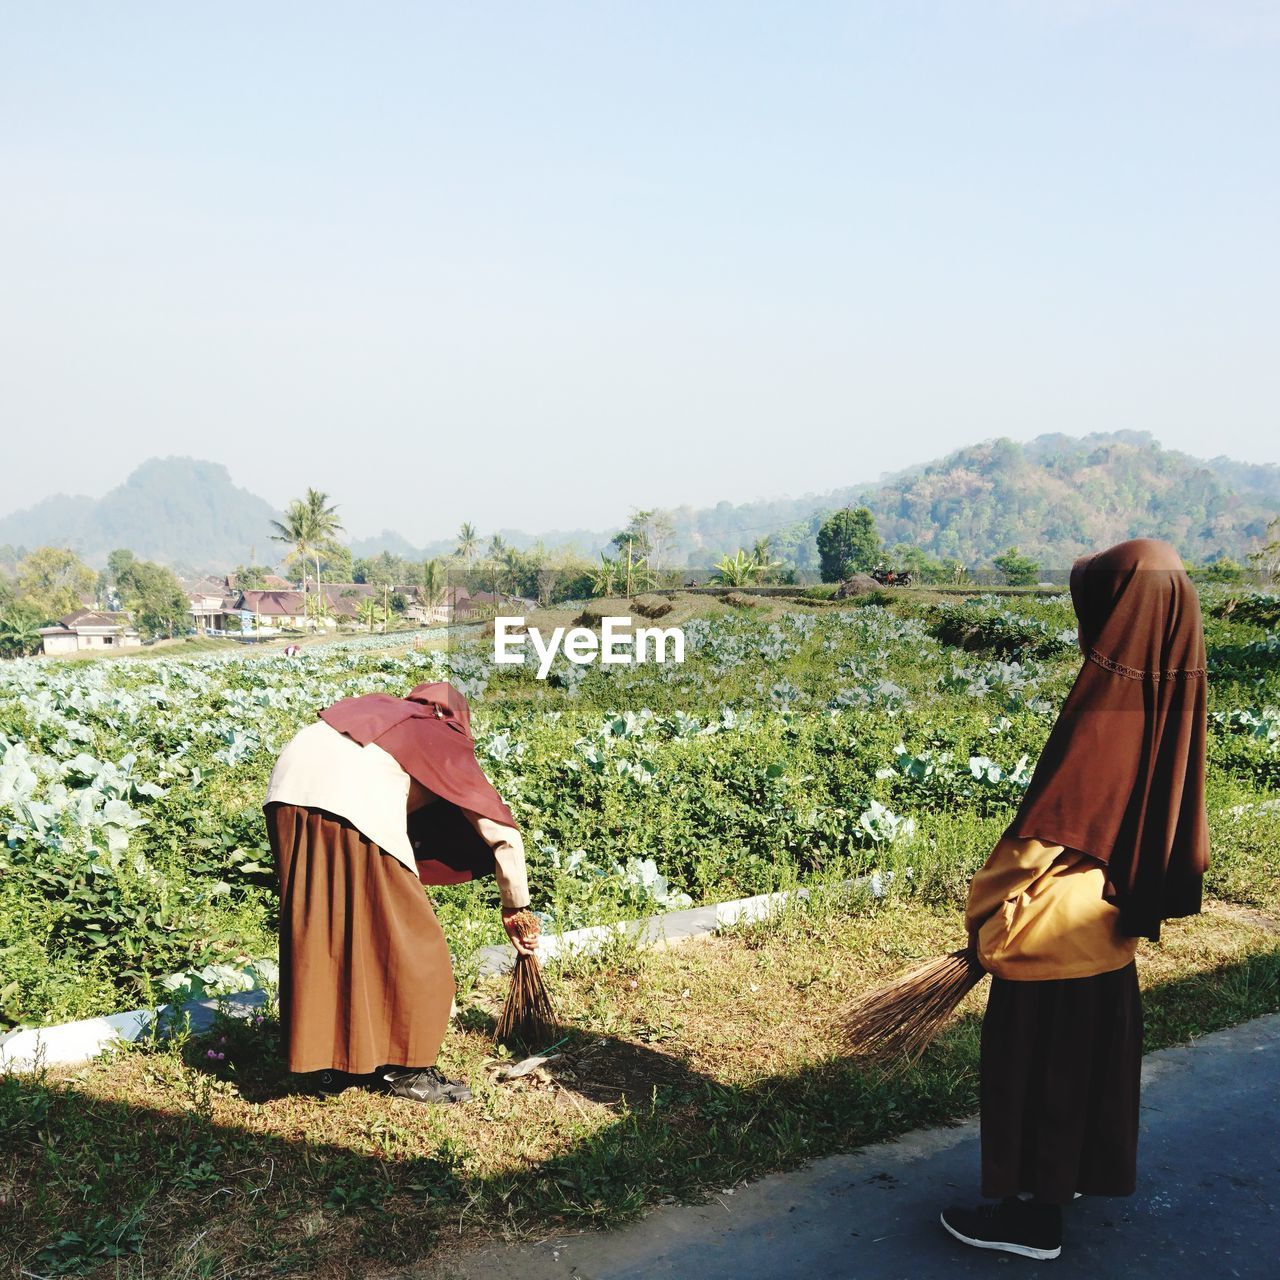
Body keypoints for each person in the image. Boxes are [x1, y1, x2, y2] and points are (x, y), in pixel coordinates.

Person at [941, 539, 1209, 1260]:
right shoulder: (1171, 688)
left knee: (1036, 1075)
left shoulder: (1109, 701)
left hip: (1053, 932)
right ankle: (1070, 1181)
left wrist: (983, 913)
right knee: (1083, 1069)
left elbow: (1049, 827)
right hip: (1108, 929)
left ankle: (1031, 1221)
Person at [263, 680, 538, 1104]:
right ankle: (406, 1070)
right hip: (349, 805)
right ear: (459, 722)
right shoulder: (437, 733)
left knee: (324, 933)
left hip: (285, 796)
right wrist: (515, 909)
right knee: (414, 948)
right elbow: (502, 832)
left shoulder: (385, 714)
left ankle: (330, 1065)